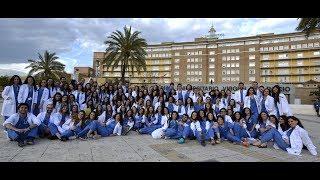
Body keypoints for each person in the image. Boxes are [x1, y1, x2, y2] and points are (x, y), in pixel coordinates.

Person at [253, 116, 317, 156]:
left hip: (288, 146)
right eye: (289, 122)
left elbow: (307, 142)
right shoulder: (291, 129)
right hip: (284, 142)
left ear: (296, 121)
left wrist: (314, 153)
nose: (290, 123)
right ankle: (261, 141)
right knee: (273, 130)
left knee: (273, 130)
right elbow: (284, 134)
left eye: (292, 121)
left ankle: (261, 142)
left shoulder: (301, 131)